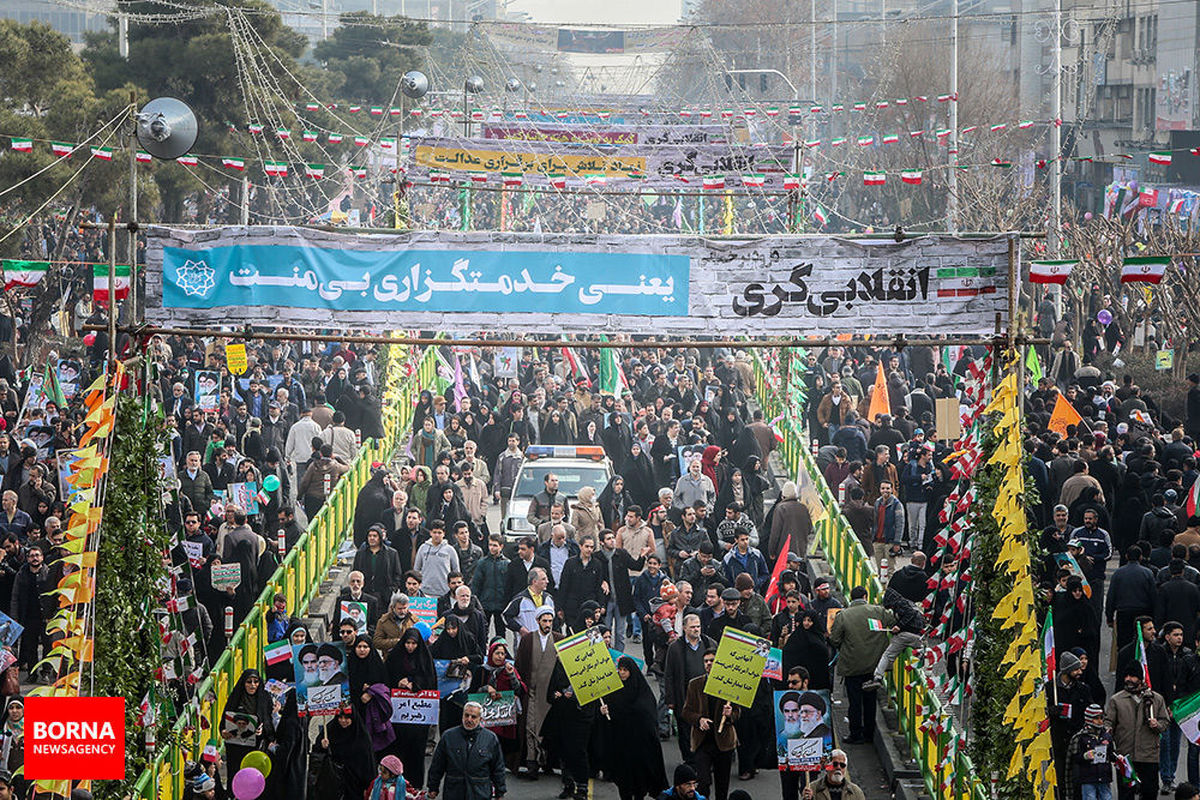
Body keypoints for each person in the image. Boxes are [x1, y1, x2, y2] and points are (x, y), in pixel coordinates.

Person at [603, 655, 669, 800]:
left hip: (640, 748)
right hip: (622, 747)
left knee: (639, 785)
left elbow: (648, 717)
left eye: (625, 670)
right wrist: (605, 712)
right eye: (619, 670)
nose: (621, 673)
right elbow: (610, 718)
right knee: (624, 784)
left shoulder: (642, 692)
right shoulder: (614, 691)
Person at [828, 587, 889, 744]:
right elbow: (895, 621)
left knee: (855, 702)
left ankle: (855, 734)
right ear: (865, 596)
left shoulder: (843, 615)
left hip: (852, 665)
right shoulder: (878, 611)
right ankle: (869, 734)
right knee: (870, 700)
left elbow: (834, 639)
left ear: (851, 597)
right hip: (874, 665)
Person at [681, 648, 739, 800]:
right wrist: (699, 719)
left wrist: (730, 714)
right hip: (703, 741)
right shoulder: (695, 684)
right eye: (706, 661)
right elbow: (686, 712)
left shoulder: (729, 684)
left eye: (712, 660)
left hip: (723, 741)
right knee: (703, 781)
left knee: (722, 784)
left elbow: (738, 713)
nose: (709, 664)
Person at [1106, 662, 1168, 799]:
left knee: (1149, 793)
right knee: (1126, 794)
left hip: (1148, 756)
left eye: (1132, 676)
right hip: (1126, 758)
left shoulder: (1155, 699)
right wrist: (1107, 730)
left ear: (1140, 678)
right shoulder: (1116, 700)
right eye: (1126, 676)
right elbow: (1108, 722)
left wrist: (1157, 724)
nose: (1128, 679)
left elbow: (1165, 722)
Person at [514, 606, 562, 779]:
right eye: (545, 621)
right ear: (538, 621)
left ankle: (547, 762)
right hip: (532, 693)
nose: (548, 624)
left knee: (548, 731)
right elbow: (519, 666)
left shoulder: (559, 640)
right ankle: (531, 763)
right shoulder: (527, 640)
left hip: (551, 696)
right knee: (530, 728)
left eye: (550, 621)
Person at [385, 628, 436, 790]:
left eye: (414, 643)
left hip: (418, 717)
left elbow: (431, 680)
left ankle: (415, 785)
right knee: (398, 748)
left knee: (416, 751)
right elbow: (386, 677)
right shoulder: (394, 657)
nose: (410, 647)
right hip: (399, 716)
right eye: (408, 643)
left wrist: (416, 684)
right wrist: (398, 683)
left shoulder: (425, 658)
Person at [469, 640, 527, 770]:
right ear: (491, 654)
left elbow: (519, 690)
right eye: (497, 653)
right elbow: (472, 693)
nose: (500, 656)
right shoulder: (482, 671)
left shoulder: (509, 669)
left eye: (503, 653)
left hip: (503, 718)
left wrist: (511, 675)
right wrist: (486, 689)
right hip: (485, 718)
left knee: (501, 745)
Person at [863, 587, 924, 691]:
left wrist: (899, 626)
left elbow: (909, 614)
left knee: (887, 655)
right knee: (921, 652)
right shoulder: (908, 602)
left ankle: (878, 677)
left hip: (905, 635)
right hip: (918, 635)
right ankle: (924, 676)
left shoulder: (900, 604)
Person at [220, 669, 274, 776]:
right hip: (236, 748)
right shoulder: (235, 698)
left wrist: (262, 730)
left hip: (256, 747)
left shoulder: (264, 698)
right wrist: (223, 731)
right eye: (249, 682)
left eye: (256, 682)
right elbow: (224, 720)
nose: (252, 685)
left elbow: (268, 721)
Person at [1065, 704, 1116, 800]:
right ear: (1089, 719)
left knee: (1106, 797)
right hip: (1088, 777)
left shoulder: (1106, 736)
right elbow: (1074, 759)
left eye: (1102, 718)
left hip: (1104, 776)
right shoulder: (1080, 737)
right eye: (1096, 718)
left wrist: (1118, 759)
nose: (1100, 721)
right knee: (1089, 797)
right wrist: (1085, 756)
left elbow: (1111, 754)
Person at [800, 749, 866, 800]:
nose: (838, 767)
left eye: (842, 765)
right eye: (835, 764)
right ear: (827, 767)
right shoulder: (812, 789)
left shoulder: (856, 792)